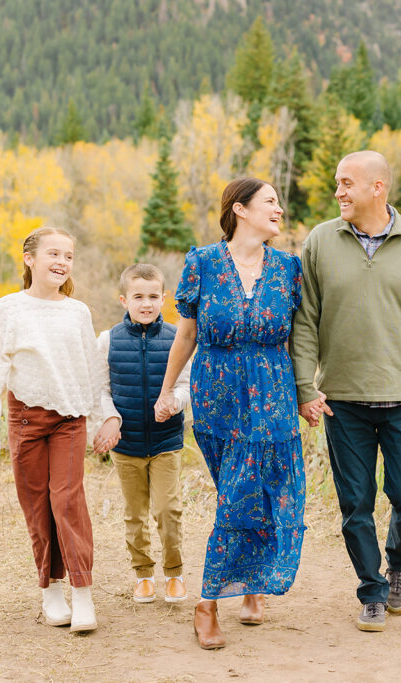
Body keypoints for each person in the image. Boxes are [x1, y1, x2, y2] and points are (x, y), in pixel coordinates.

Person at [290, 150, 401, 632]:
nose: (337, 192)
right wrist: (305, 386)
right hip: (342, 402)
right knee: (354, 504)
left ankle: (398, 566)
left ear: (377, 188)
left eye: (346, 183)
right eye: (336, 184)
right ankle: (371, 590)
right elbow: (305, 323)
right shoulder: (320, 241)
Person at [155, 177, 305, 650]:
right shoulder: (201, 263)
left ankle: (210, 602)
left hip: (274, 397)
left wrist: (308, 392)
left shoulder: (288, 269)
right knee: (235, 493)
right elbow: (186, 335)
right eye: (270, 202)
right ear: (240, 210)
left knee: (258, 493)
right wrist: (166, 393)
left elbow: (300, 340)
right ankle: (247, 583)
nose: (279, 209)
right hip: (217, 399)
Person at [0, 226, 117, 633]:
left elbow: (91, 371)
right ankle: (50, 588)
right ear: (29, 258)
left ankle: (82, 592)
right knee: (37, 505)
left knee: (67, 500)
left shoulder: (78, 311)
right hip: (26, 420)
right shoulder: (8, 309)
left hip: (70, 420)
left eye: (68, 256)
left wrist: (104, 415)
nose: (62, 262)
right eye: (53, 254)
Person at [92, 264, 192, 604]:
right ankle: (143, 574)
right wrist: (110, 418)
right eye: (138, 297)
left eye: (153, 297)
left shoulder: (179, 337)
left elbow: (186, 385)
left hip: (166, 442)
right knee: (134, 514)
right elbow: (101, 390)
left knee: (167, 510)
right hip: (128, 445)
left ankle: (174, 573)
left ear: (164, 299)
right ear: (124, 300)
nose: (146, 304)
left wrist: (174, 402)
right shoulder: (107, 341)